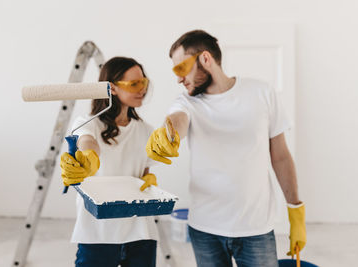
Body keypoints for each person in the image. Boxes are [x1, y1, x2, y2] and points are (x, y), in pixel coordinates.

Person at [146, 30, 306, 267]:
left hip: (256, 230)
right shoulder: (186, 102)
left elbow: (280, 157)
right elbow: (177, 121)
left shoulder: (261, 92)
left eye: (181, 69)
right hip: (205, 230)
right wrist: (168, 134)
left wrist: (296, 211)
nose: (179, 79)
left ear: (205, 59)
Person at [60, 57, 159, 267]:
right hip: (98, 235)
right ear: (112, 88)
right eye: (134, 84)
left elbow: (144, 172)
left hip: (140, 234)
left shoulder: (146, 131)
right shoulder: (88, 123)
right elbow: (87, 140)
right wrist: (90, 157)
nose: (142, 89)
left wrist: (148, 182)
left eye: (143, 82)